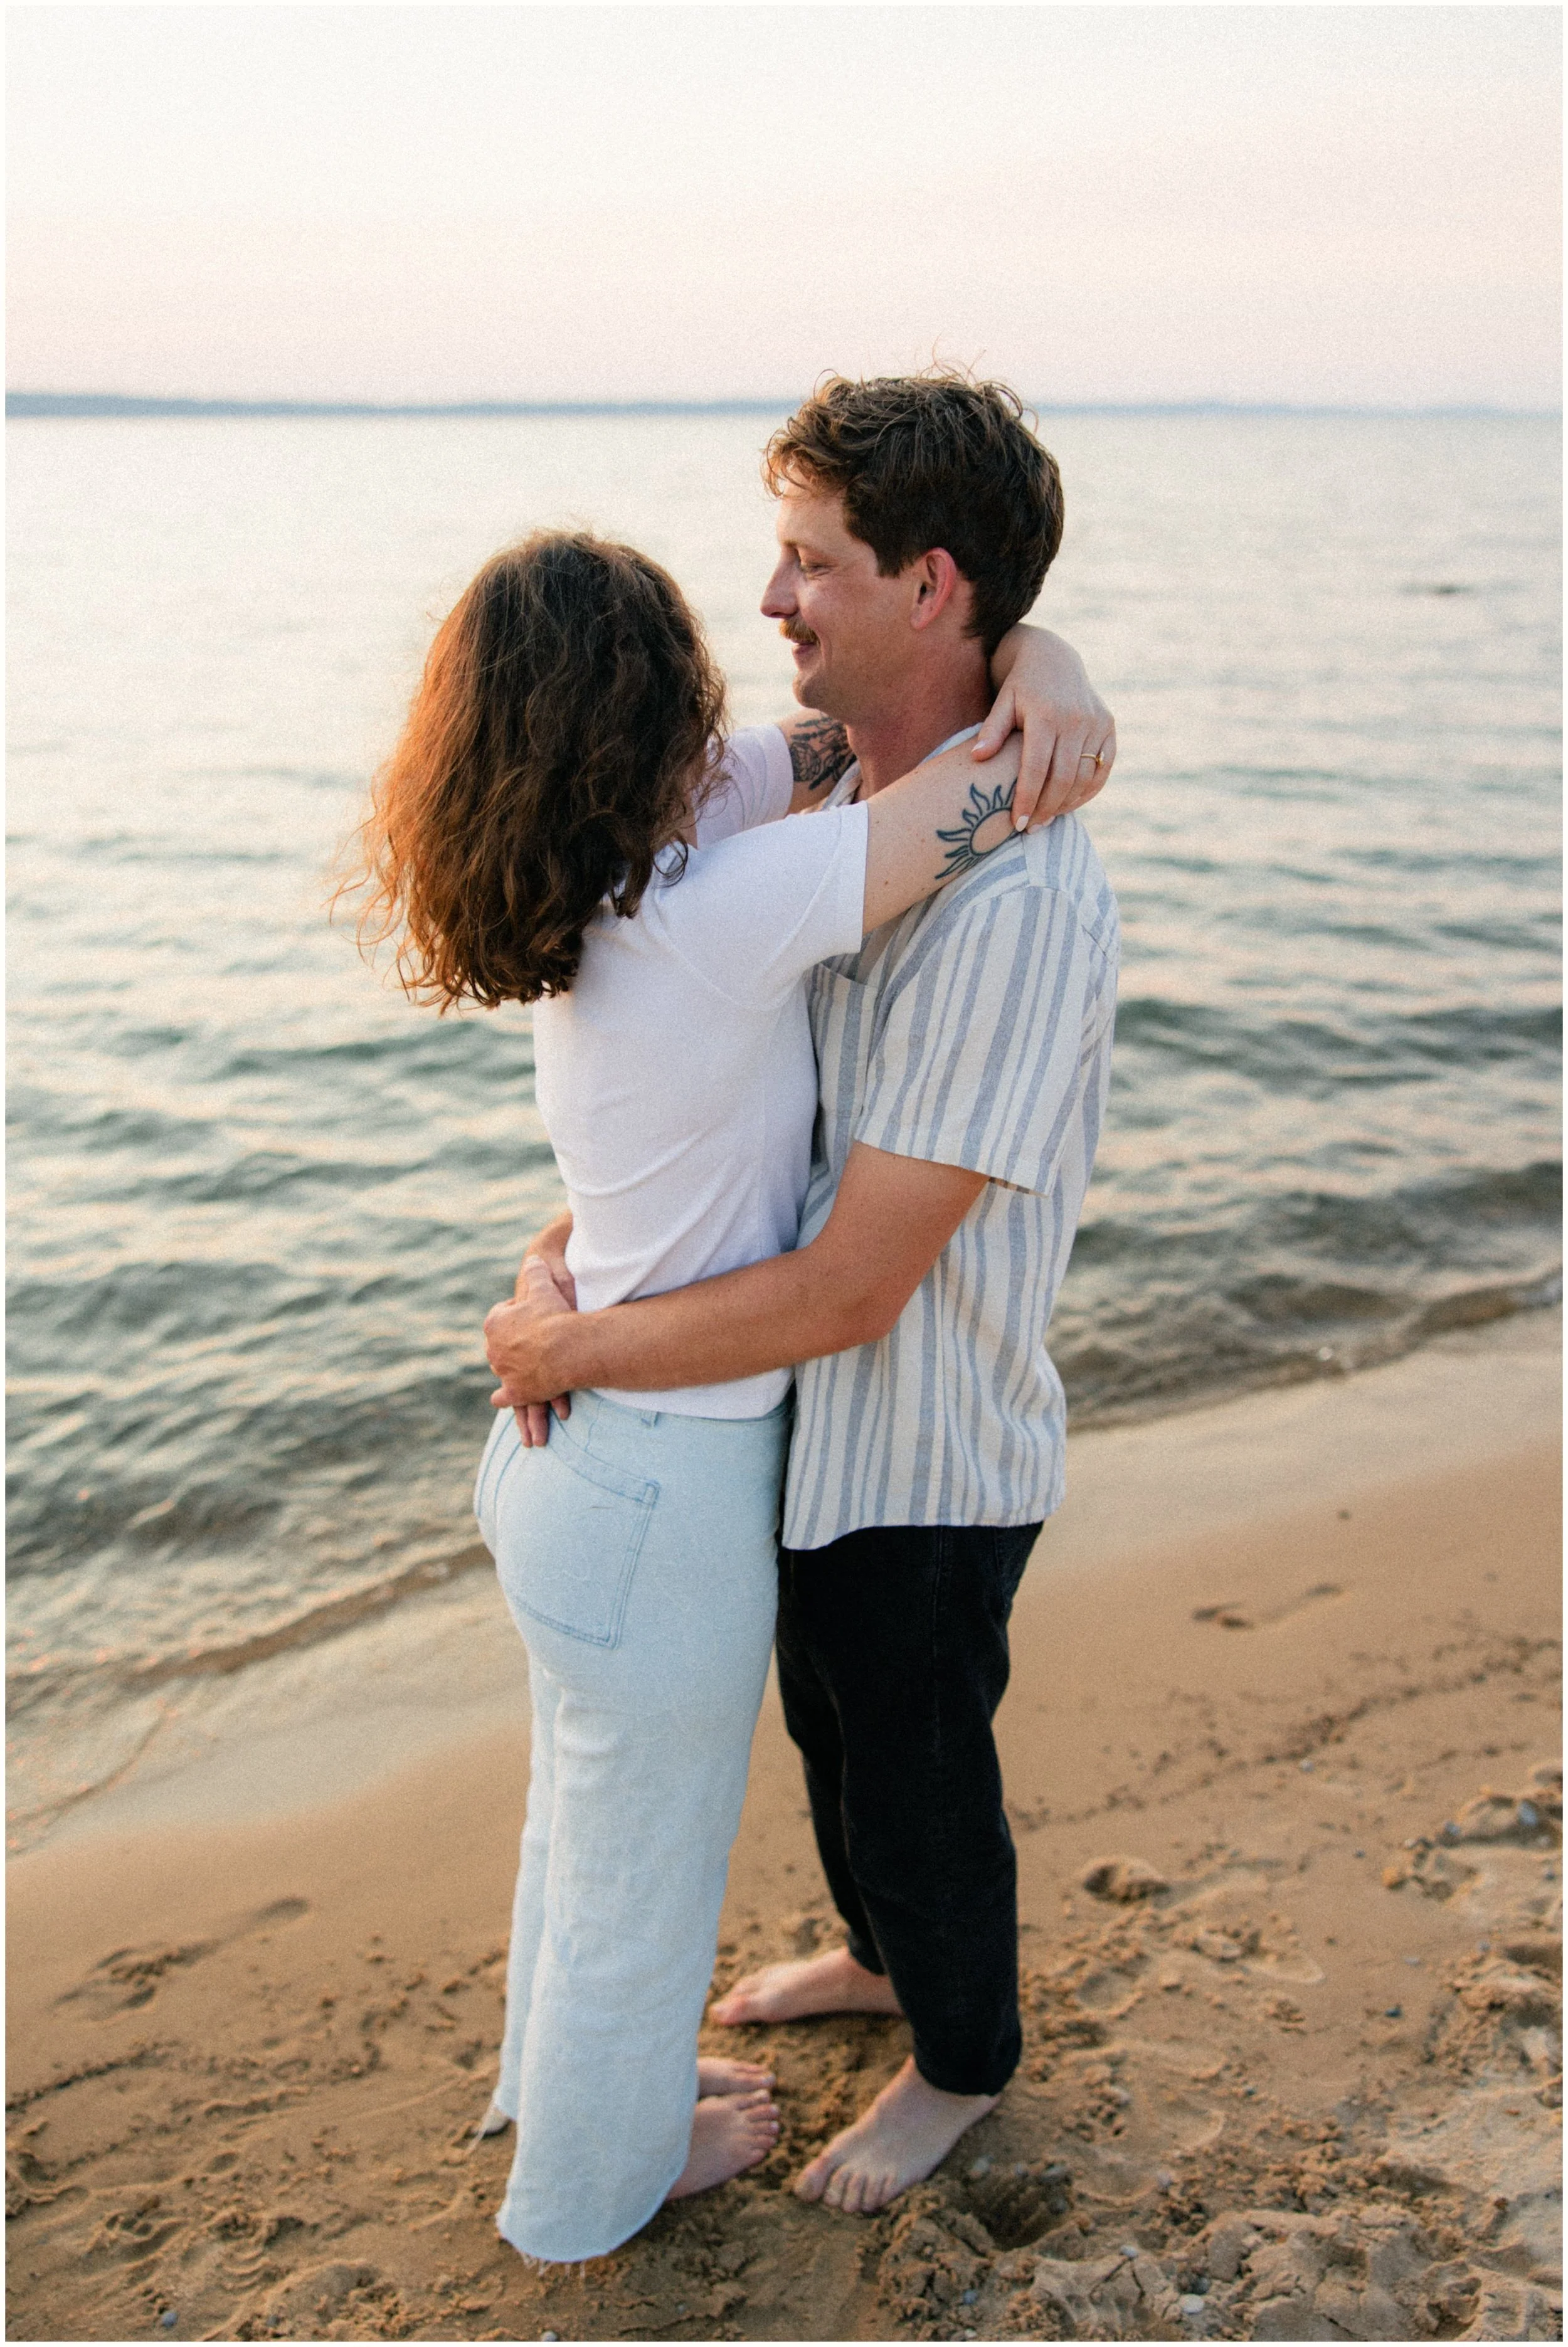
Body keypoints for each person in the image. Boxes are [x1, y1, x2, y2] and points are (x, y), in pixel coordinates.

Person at [346, 512, 1113, 2264]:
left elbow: (851, 741)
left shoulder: (635, 863)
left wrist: (1038, 650)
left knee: (580, 1823)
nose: (754, 636)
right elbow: (1008, 783)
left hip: (565, 1470)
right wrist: (1056, 684)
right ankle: (588, 2187)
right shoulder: (729, 895)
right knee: (642, 1877)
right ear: (650, 703)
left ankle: (564, 2084)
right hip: (657, 1487)